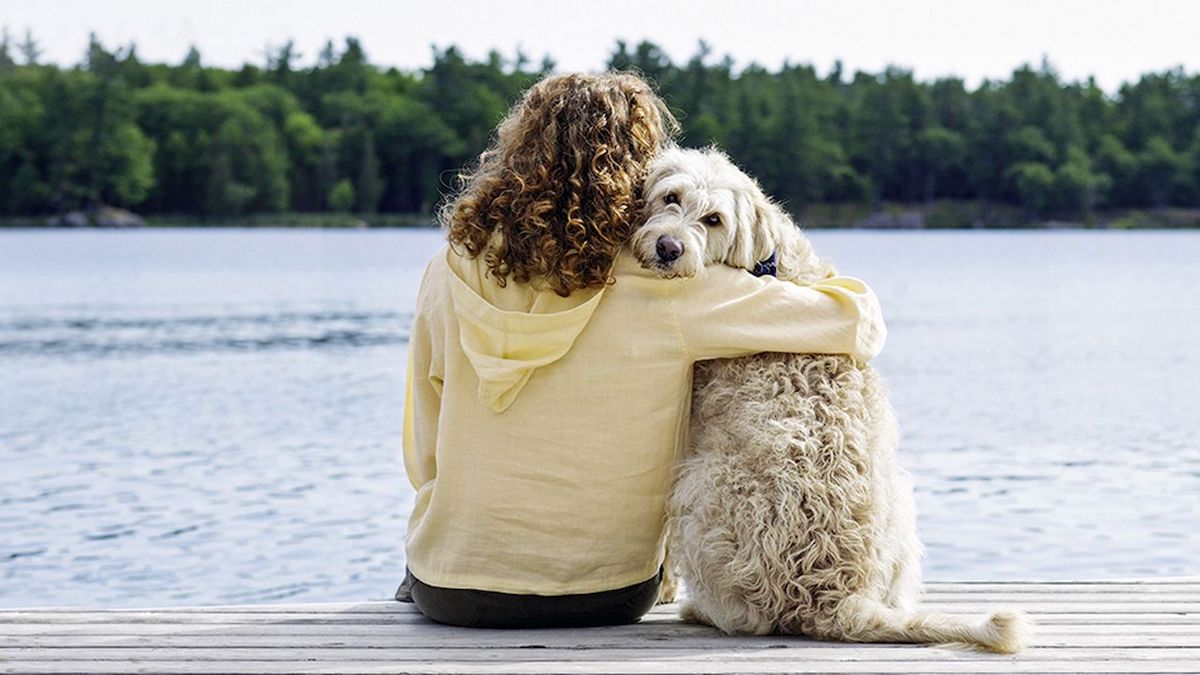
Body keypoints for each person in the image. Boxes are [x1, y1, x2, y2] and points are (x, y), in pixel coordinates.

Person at [398, 72, 886, 628]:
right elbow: (857, 323)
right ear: (635, 175)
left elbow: (423, 449)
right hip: (607, 593)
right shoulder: (674, 287)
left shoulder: (447, 268)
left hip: (450, 589)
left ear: (515, 154)